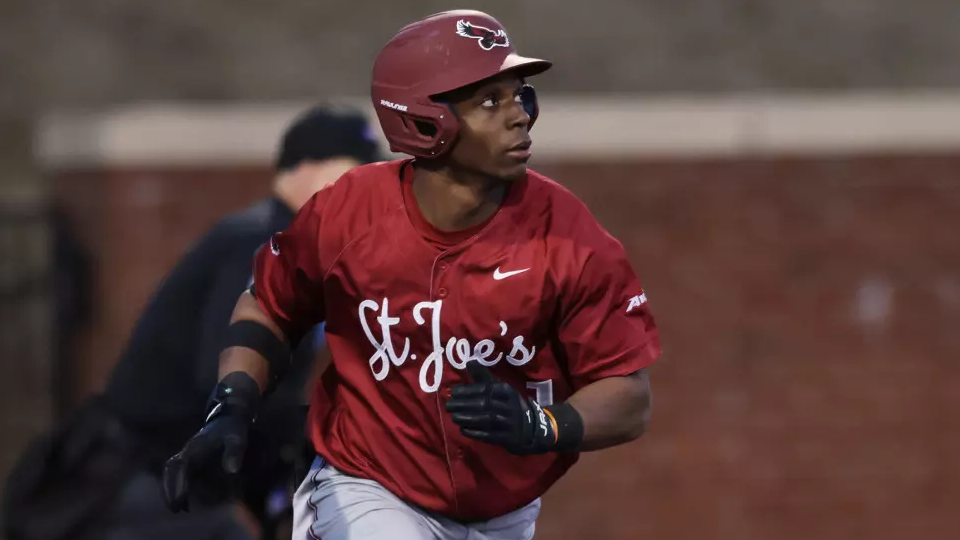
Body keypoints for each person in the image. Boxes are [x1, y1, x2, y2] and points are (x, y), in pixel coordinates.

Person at [161, 9, 661, 540]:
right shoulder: (349, 211)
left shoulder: (568, 233)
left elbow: (629, 396)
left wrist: (544, 424)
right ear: (425, 120)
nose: (519, 114)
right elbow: (268, 304)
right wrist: (233, 402)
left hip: (505, 511)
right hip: (369, 486)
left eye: (520, 95)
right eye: (491, 100)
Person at [2, 103, 382, 540]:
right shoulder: (259, 245)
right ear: (307, 172)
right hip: (143, 479)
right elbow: (223, 379)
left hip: (169, 477)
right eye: (355, 175)